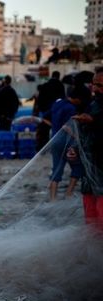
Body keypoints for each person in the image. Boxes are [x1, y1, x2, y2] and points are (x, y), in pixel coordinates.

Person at [46, 85, 91, 201]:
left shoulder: (57, 103)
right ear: (77, 98)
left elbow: (48, 119)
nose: (81, 102)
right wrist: (77, 137)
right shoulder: (71, 108)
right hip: (66, 141)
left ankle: (52, 198)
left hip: (54, 139)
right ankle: (69, 193)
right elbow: (67, 126)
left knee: (57, 168)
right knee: (78, 166)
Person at [72, 68, 103, 230]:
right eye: (93, 84)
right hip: (89, 173)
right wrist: (75, 149)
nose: (95, 88)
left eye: (100, 85)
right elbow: (86, 135)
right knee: (91, 220)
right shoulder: (93, 105)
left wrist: (93, 120)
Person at [35, 71, 66, 150]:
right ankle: (56, 146)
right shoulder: (60, 85)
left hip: (45, 110)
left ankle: (42, 147)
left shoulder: (45, 85)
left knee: (44, 129)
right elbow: (63, 98)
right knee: (56, 129)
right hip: (56, 110)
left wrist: (40, 108)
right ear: (58, 76)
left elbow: (40, 98)